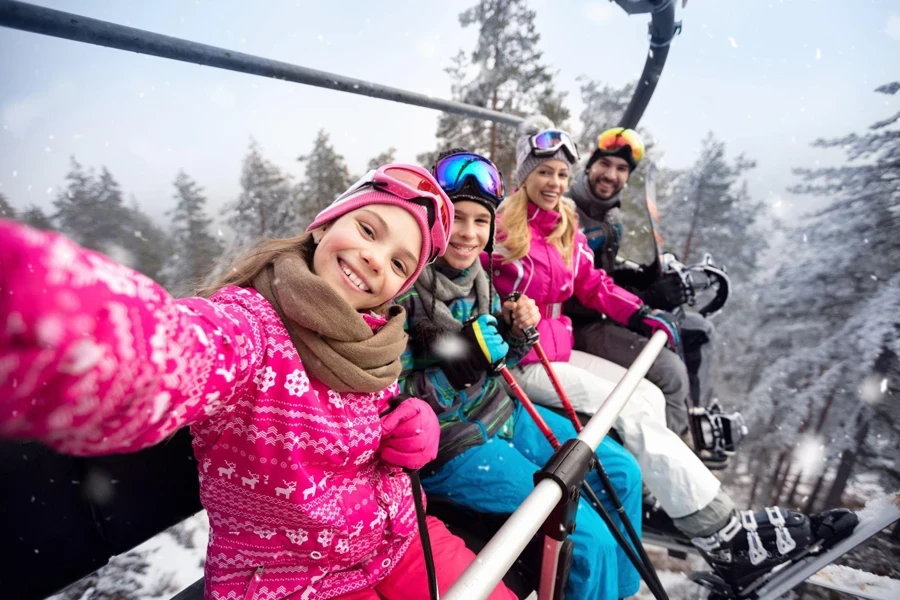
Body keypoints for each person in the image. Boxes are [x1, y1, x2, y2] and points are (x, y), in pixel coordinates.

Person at [0, 164, 516, 600]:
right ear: (325, 224)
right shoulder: (250, 327)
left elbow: (381, 410)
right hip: (294, 579)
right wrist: (51, 314)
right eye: (367, 230)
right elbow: (169, 357)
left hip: (400, 536)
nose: (375, 259)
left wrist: (413, 420)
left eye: (399, 262)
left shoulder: (375, 338)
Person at [488, 118, 854, 582]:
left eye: (562, 174)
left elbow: (592, 283)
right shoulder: (501, 228)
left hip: (555, 350)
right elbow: (472, 283)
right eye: (544, 172)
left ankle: (666, 488)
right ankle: (720, 531)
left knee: (649, 395)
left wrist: (639, 311)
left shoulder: (565, 225)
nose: (554, 183)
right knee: (629, 409)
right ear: (525, 174)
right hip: (522, 358)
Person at [396, 149, 644, 599]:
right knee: (588, 539)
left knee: (623, 471)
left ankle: (620, 592)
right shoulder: (405, 288)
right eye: (457, 219)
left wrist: (515, 336)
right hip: (453, 444)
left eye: (480, 221)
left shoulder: (478, 275)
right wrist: (454, 372)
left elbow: (496, 363)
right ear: (434, 219)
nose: (469, 234)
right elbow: (392, 398)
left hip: (503, 413)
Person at [565, 126, 714, 440]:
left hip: (601, 312)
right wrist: (644, 297)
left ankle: (691, 418)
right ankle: (667, 452)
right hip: (577, 323)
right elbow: (571, 289)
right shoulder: (568, 214)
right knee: (671, 373)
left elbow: (603, 270)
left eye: (621, 169)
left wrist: (644, 276)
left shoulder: (609, 219)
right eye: (604, 164)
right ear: (589, 165)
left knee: (695, 330)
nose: (611, 175)